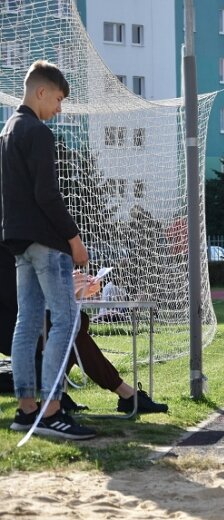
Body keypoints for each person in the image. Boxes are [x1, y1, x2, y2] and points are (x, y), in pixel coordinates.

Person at [0, 60, 95, 440]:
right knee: (66, 321)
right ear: (41, 91)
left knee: (27, 324)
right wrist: (74, 240)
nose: (59, 109)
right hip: (46, 242)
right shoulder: (37, 133)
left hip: (19, 243)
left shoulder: (6, 131)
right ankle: (53, 409)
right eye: (57, 99)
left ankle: (27, 411)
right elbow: (47, 194)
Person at [0, 244, 169, 414]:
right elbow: (21, 299)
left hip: (25, 320)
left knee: (79, 320)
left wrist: (78, 290)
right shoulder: (10, 249)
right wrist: (65, 287)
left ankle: (59, 396)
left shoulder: (23, 246)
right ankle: (126, 394)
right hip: (13, 329)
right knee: (71, 327)